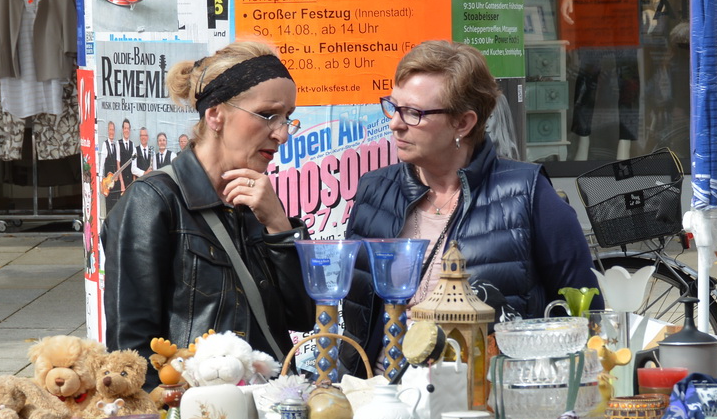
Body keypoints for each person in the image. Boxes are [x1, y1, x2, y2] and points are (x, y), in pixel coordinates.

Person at [347, 40, 597, 352]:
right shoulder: (374, 191)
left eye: (412, 113)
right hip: (382, 391)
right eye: (393, 106)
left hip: (483, 390)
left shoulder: (528, 193)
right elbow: (355, 317)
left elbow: (585, 312)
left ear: (463, 123)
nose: (395, 123)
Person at [103, 42, 314, 368]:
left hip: (267, 403)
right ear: (215, 114)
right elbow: (129, 349)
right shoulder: (153, 201)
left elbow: (302, 316)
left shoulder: (257, 202)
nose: (282, 134)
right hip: (194, 409)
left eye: (288, 118)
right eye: (269, 115)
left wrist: (279, 226)